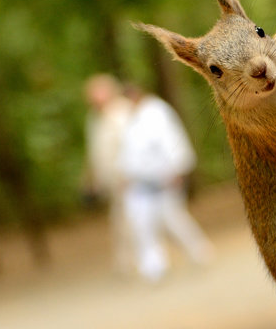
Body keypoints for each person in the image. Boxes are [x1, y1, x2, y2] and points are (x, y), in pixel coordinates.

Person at [119, 84, 214, 282]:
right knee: (142, 224)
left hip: (165, 176)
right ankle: (153, 266)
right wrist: (125, 174)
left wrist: (177, 169)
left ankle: (200, 252)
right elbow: (129, 152)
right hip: (139, 181)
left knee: (173, 219)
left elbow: (172, 140)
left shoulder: (156, 112)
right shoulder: (131, 119)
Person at [83, 74, 135, 272]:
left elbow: (131, 145)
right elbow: (94, 151)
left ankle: (131, 264)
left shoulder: (123, 111)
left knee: (131, 221)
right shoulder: (94, 117)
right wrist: (91, 178)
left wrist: (128, 173)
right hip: (110, 181)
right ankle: (126, 264)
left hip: (128, 178)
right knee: (122, 222)